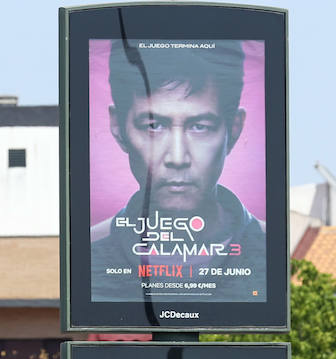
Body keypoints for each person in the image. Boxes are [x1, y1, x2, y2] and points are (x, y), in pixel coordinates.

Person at [90, 39, 267, 303]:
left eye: (200, 126)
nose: (176, 157)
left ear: (234, 129)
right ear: (118, 127)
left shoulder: (271, 250)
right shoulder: (88, 253)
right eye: (153, 125)